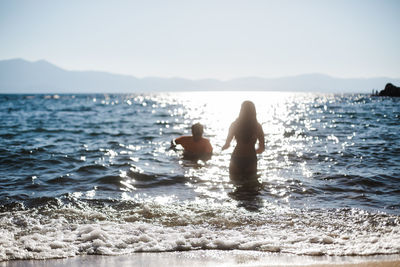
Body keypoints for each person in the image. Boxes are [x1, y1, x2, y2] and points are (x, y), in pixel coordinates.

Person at [222, 101, 265, 180]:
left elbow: (227, 144)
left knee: (235, 185)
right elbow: (262, 148)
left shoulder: (234, 124)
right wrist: (252, 151)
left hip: (236, 158)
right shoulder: (257, 126)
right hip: (250, 159)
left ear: (241, 110)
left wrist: (221, 149)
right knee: (250, 188)